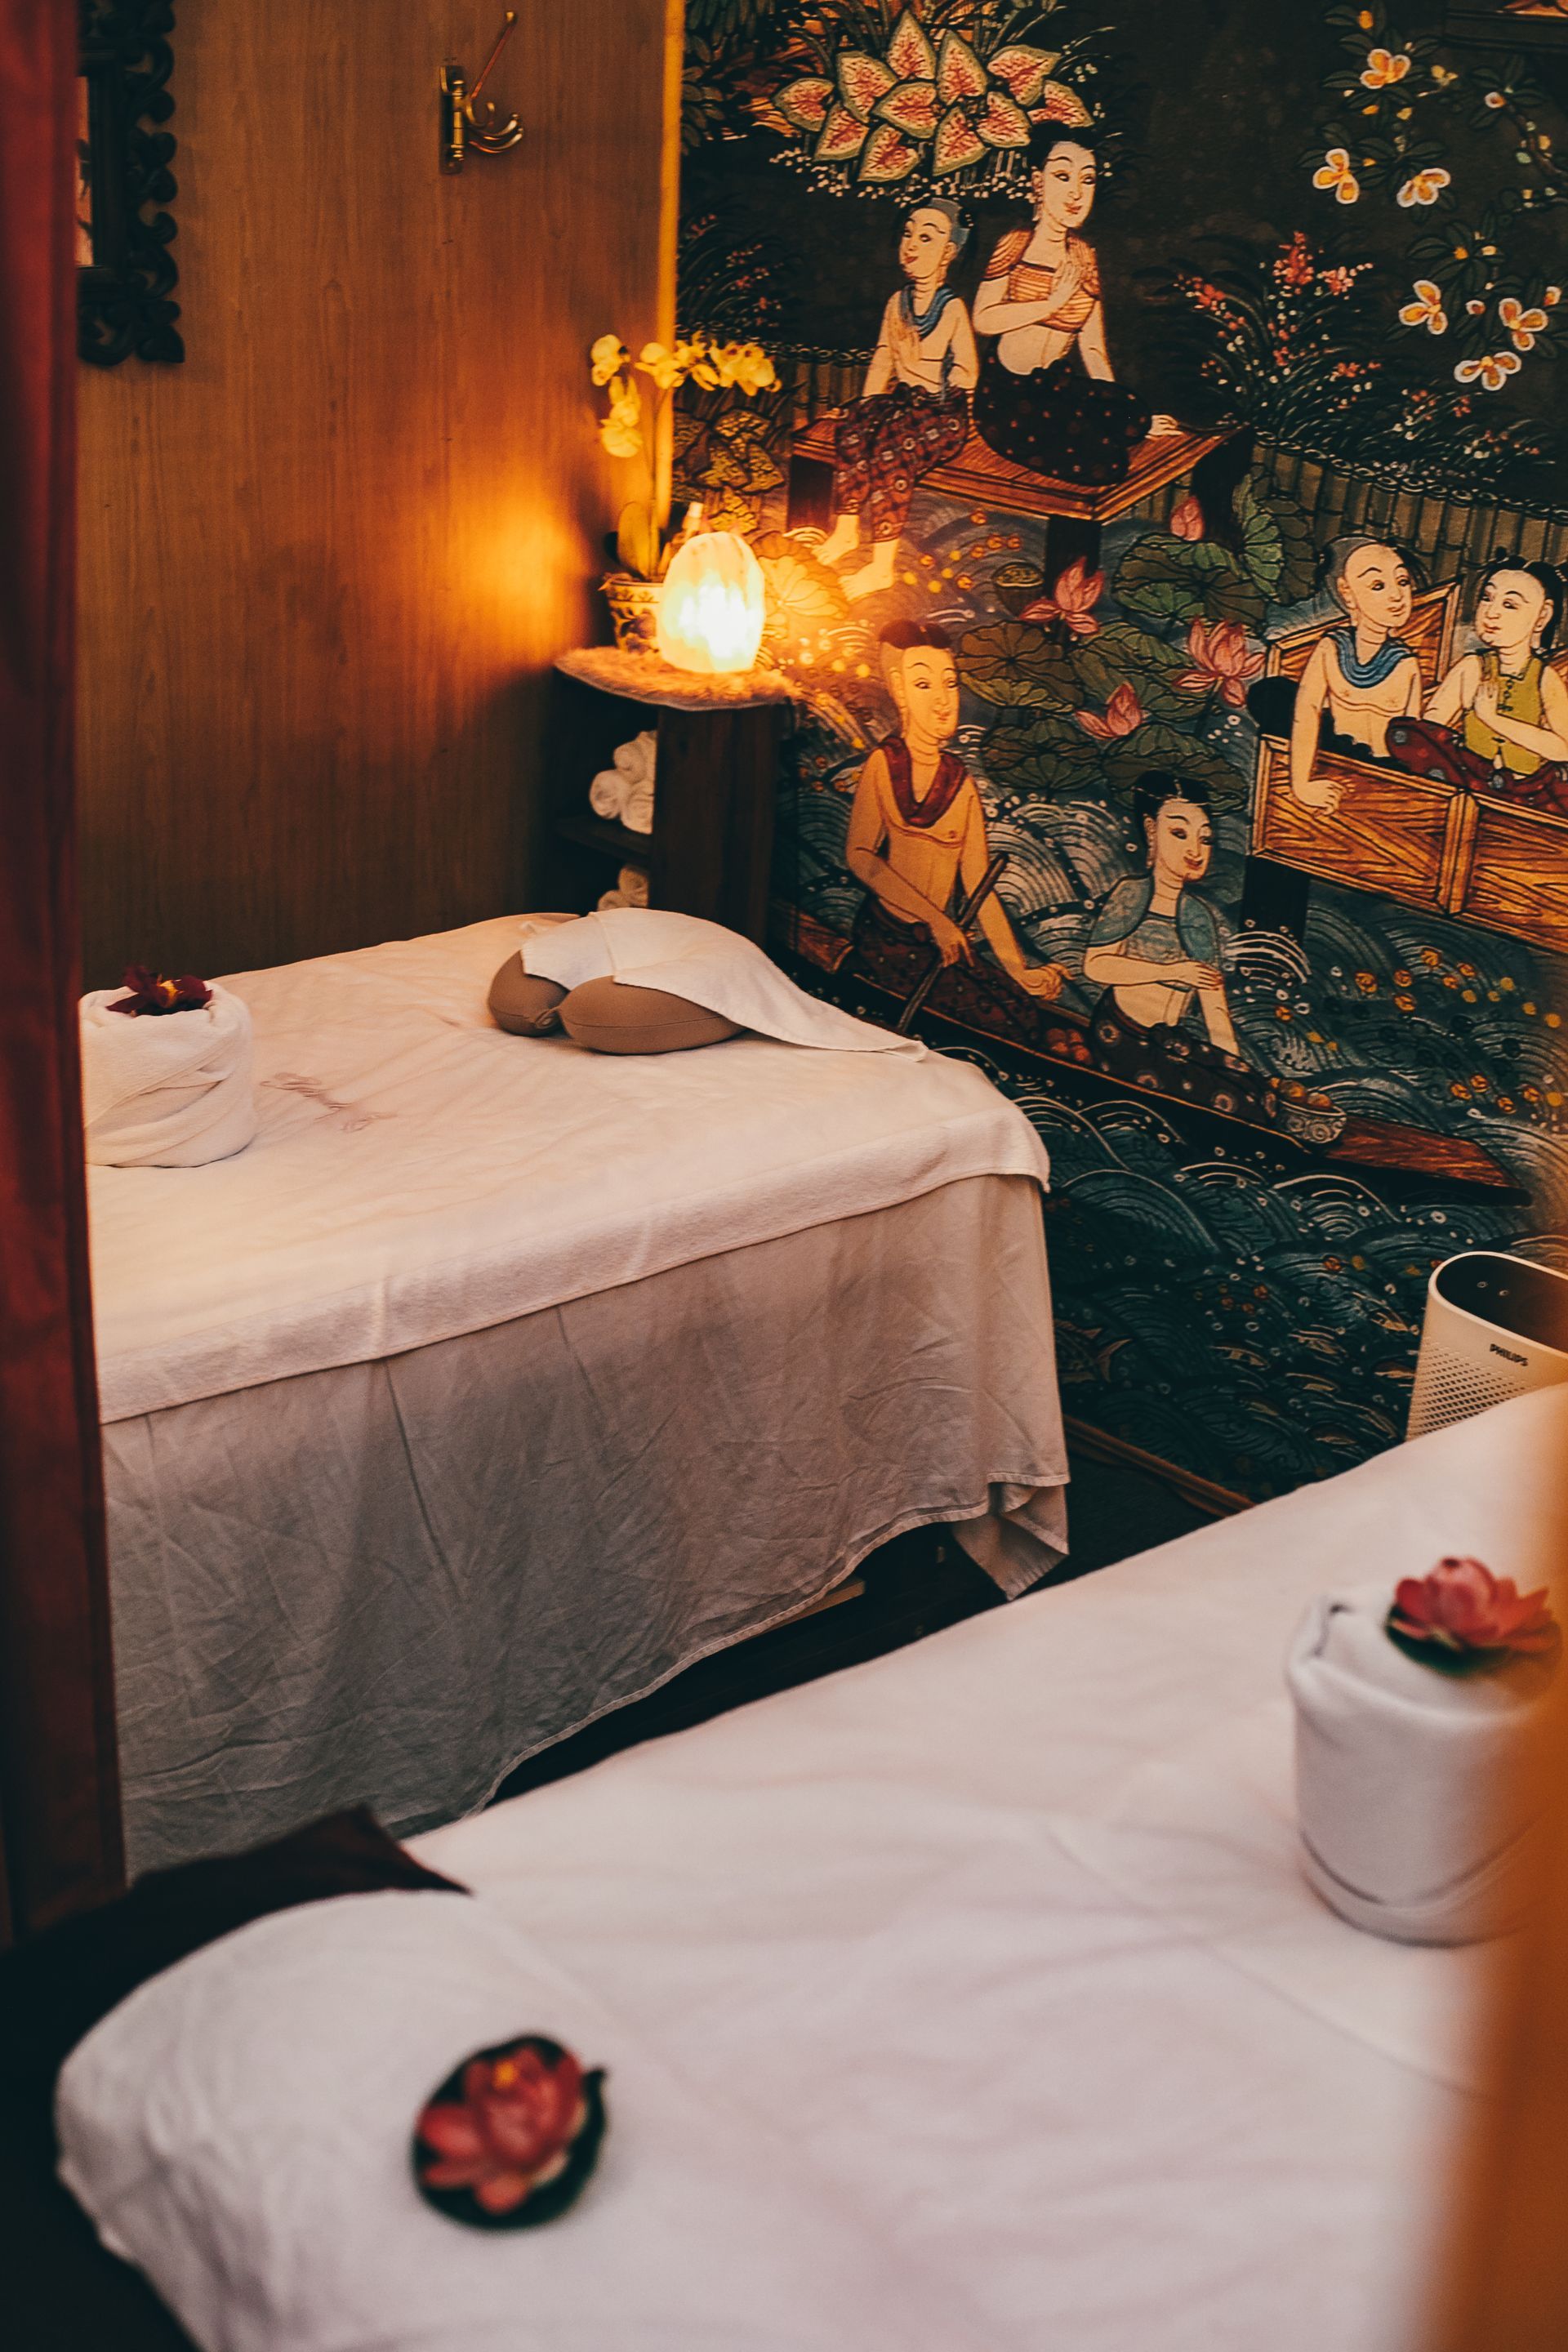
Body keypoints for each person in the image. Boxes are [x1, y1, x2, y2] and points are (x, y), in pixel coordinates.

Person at [845, 621, 1066, 1031]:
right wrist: (938, 921)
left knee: (1021, 1012)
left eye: (950, 684)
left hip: (940, 943)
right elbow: (860, 858)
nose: (944, 700)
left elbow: (979, 886)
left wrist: (1019, 971)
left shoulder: (961, 784)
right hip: (890, 940)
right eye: (924, 685)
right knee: (1002, 1023)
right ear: (899, 690)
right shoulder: (884, 765)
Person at [970, 126, 1177, 488]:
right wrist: (1050, 304)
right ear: (1038, 182)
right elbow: (983, 319)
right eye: (1063, 176)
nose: (1076, 193)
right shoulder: (1016, 244)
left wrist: (1112, 407)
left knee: (1135, 416)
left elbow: (1093, 348)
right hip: (1008, 398)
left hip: (1056, 387)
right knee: (1109, 466)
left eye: (1088, 179)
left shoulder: (1084, 256)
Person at [1083, 772, 1276, 1120]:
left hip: (1168, 1040)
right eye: (1179, 833)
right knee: (1228, 1102)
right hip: (1122, 1034)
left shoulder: (1199, 916)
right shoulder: (1132, 893)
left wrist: (1232, 1064)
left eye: (1206, 840)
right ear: (1152, 831)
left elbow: (1214, 1005)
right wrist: (1172, 971)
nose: (1195, 850)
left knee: (1252, 1090)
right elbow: (1096, 965)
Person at [817, 200, 979, 602]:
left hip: (942, 413)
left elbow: (969, 373)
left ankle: (882, 565)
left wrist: (928, 373)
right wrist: (866, 405)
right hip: (902, 403)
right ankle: (846, 531)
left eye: (927, 237)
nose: (911, 245)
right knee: (854, 431)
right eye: (908, 233)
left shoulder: (953, 308)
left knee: (891, 449)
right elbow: (882, 361)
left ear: (949, 253)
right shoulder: (897, 303)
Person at [1246, 537, 1424, 815]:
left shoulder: (1408, 664)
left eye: (1402, 582)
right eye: (1378, 586)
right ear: (1347, 593)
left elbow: (1411, 741)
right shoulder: (1331, 648)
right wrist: (1301, 784)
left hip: (1382, 775)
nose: (1397, 596)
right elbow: (1306, 713)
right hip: (1333, 754)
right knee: (1270, 693)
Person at [1386, 558, 1568, 815]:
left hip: (1528, 789)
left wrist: (1492, 719)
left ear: (1542, 617)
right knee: (1409, 736)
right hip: (1471, 778)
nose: (1492, 612)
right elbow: (1432, 727)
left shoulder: (1544, 678)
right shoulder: (1472, 667)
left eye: (1509, 605)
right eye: (1487, 598)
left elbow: (1564, 747)